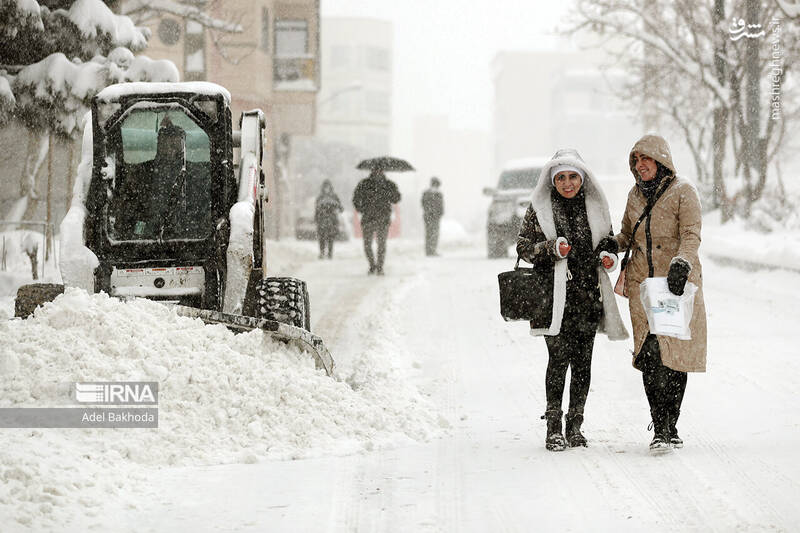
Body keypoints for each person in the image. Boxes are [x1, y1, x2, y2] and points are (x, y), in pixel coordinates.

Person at [516, 148, 628, 452]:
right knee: (558, 359)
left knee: (583, 362)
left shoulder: (595, 206)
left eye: (573, 177)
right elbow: (523, 246)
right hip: (552, 297)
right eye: (561, 178)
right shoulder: (540, 207)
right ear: (552, 181)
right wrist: (551, 248)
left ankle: (575, 425)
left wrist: (607, 258)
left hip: (588, 295)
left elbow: (608, 244)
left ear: (583, 177)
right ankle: (553, 426)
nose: (568, 183)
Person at [615, 134, 707, 452]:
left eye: (646, 160)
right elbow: (627, 234)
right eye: (636, 161)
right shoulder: (634, 196)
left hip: (675, 286)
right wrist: (611, 245)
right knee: (649, 355)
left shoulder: (684, 192)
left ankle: (672, 423)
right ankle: (660, 426)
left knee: (673, 358)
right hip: (643, 286)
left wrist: (682, 262)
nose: (640, 166)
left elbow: (691, 234)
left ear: (661, 160)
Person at [352, 168, 401, 275]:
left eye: (380, 170)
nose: (378, 172)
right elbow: (356, 199)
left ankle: (378, 266)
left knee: (379, 244)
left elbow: (396, 199)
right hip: (371, 218)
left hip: (379, 218)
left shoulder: (388, 185)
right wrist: (361, 209)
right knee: (369, 244)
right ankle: (373, 265)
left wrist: (391, 192)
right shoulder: (365, 184)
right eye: (376, 171)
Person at [314, 179, 344, 259]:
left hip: (332, 219)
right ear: (323, 188)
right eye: (325, 187)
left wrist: (337, 208)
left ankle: (330, 253)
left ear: (330, 187)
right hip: (322, 219)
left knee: (330, 237)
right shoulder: (320, 197)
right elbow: (316, 209)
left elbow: (341, 208)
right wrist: (316, 218)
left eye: (328, 187)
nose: (326, 189)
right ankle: (322, 252)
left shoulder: (334, 196)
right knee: (322, 237)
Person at [421, 176, 444, 256]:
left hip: (429, 216)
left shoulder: (426, 193)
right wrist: (438, 213)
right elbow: (441, 206)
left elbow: (423, 204)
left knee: (430, 233)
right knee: (433, 233)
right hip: (432, 217)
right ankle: (431, 251)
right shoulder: (438, 194)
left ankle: (430, 251)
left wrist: (430, 211)